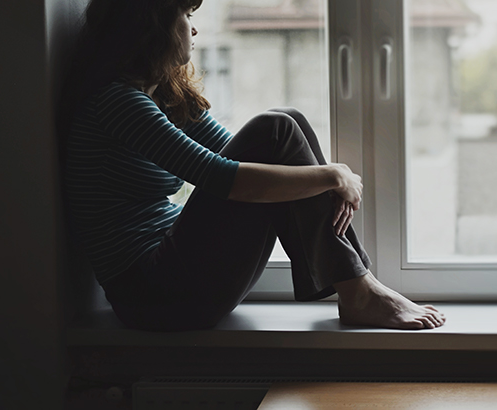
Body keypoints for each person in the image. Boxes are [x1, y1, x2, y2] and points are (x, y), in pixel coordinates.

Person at [63, 0, 445, 332]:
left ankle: (357, 286)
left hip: (174, 280)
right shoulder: (117, 104)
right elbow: (222, 176)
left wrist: (324, 179)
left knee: (284, 120)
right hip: (152, 294)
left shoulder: (161, 95)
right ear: (154, 25)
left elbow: (236, 153)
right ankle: (357, 289)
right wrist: (333, 175)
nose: (194, 27)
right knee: (275, 129)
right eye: (185, 14)